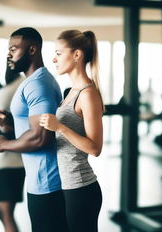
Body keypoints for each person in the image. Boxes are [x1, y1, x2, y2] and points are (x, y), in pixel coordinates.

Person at [0, 27, 68, 232]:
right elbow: (33, 128)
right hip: (40, 182)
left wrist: (4, 144)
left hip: (48, 183)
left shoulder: (38, 85)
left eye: (14, 48)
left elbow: (41, 137)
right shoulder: (33, 82)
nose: (9, 54)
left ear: (32, 49)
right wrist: (10, 125)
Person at [39, 30, 103, 232]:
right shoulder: (71, 93)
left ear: (77, 55)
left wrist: (60, 127)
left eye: (59, 53)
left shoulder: (87, 93)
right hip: (68, 186)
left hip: (82, 188)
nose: (53, 59)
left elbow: (95, 148)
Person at [0, 68, 25, 232]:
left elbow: (5, 124)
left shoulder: (12, 90)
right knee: (5, 214)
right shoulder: (16, 87)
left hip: (9, 163)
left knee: (5, 214)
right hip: (12, 162)